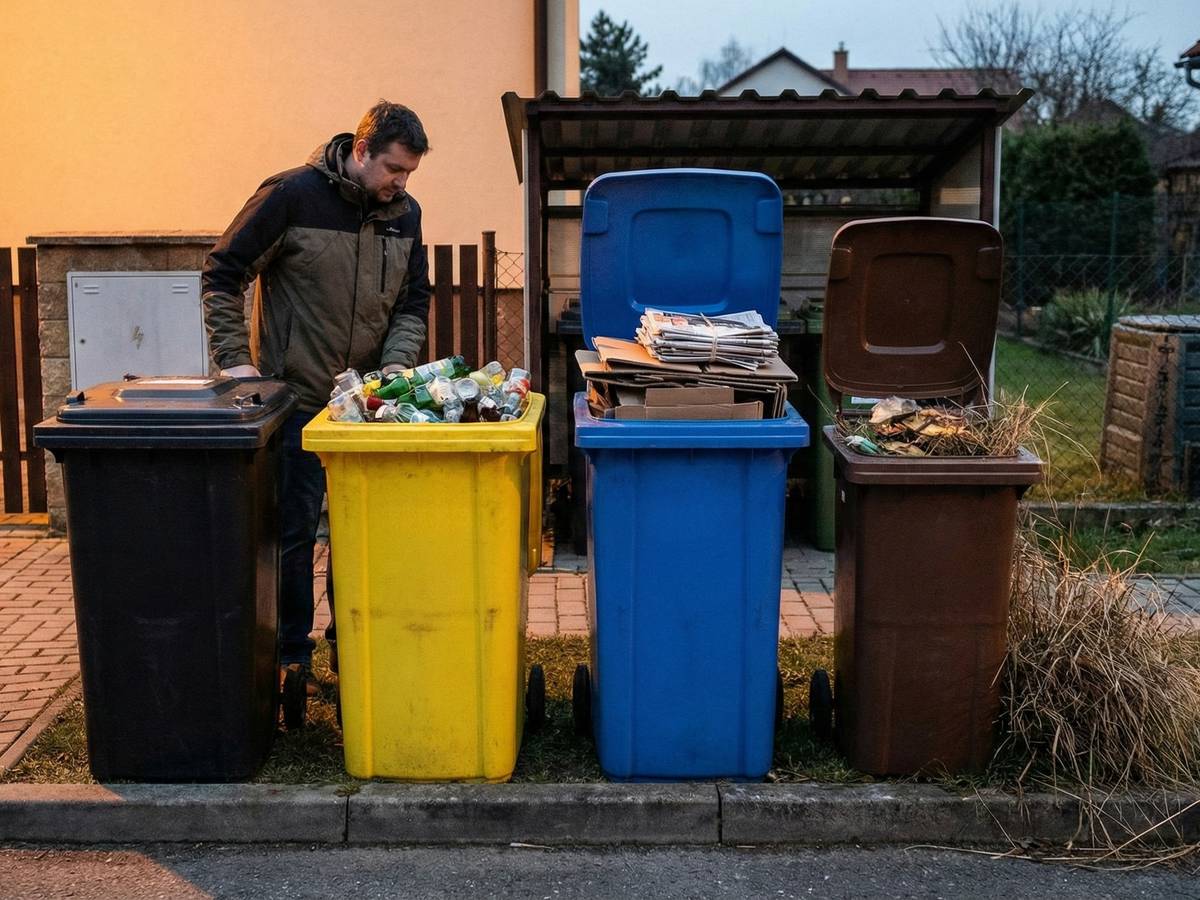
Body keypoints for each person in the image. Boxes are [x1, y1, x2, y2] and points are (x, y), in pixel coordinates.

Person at [202, 100, 432, 692]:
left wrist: (397, 368)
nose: (400, 183)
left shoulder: (405, 215)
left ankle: (353, 647)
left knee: (364, 532)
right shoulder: (291, 196)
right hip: (297, 398)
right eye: (393, 169)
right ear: (361, 151)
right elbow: (223, 273)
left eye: (409, 173)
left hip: (365, 407)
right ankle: (288, 655)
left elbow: (411, 302)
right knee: (294, 530)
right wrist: (236, 364)